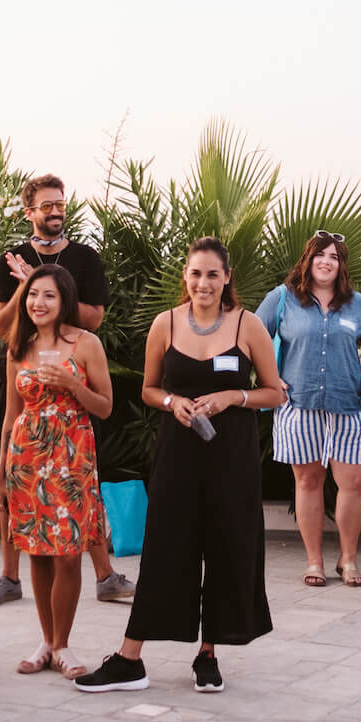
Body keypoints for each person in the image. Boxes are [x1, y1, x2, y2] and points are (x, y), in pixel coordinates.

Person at [75, 238, 285, 693]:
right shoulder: (164, 324)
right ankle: (130, 658)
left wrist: (233, 396)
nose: (203, 283)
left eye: (212, 274)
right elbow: (149, 389)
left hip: (232, 456)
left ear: (227, 277)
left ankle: (208, 654)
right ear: (185, 277)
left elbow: (276, 392)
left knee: (226, 548)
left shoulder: (248, 326)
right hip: (178, 450)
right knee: (166, 547)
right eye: (195, 274)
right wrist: (173, 402)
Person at [0, 175, 134, 608]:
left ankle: (105, 575)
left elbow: (95, 318)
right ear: (29, 211)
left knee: (80, 483)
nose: (55, 211)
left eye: (60, 204)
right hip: (21, 377)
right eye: (46, 205)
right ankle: (10, 576)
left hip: (71, 384)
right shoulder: (9, 260)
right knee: (10, 472)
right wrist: (27, 286)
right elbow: (0, 326)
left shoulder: (84, 259)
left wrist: (48, 286)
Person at [0, 265, 113, 678]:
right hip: (27, 456)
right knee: (38, 552)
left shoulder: (86, 344)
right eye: (32, 295)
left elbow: (105, 406)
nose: (38, 303)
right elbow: (11, 415)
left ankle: (63, 644)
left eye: (47, 295)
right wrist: (0, 473)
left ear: (64, 299)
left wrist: (72, 384)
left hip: (71, 453)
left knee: (67, 554)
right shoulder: (19, 347)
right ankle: (46, 642)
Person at [255, 231, 361, 589]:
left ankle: (349, 559)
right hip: (299, 404)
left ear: (342, 264)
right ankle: (314, 561)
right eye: (320, 255)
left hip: (349, 404)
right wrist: (269, 378)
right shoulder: (281, 299)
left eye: (335, 256)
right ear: (308, 259)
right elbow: (252, 338)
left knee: (352, 484)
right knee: (308, 481)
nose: (327, 261)